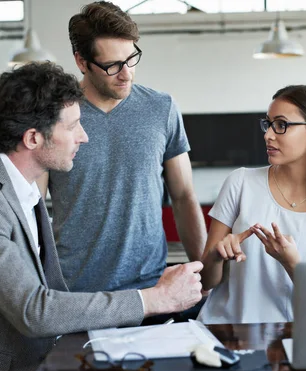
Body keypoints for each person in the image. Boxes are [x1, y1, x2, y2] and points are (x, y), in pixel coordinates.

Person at [0, 62, 203, 371]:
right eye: (74, 126)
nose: (84, 136)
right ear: (33, 138)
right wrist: (155, 299)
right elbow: (35, 310)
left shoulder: (22, 189)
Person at [36, 1, 207, 309]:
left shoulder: (161, 108)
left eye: (131, 59)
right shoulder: (52, 116)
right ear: (82, 61)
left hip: (153, 291)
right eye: (113, 65)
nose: (126, 74)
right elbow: (31, 208)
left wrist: (204, 271)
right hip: (76, 295)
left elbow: (183, 196)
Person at [198, 85, 306, 324]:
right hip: (227, 333)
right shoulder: (240, 182)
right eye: (268, 124)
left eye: (281, 125)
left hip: (296, 338)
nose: (268, 135)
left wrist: (291, 262)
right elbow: (205, 281)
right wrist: (217, 256)